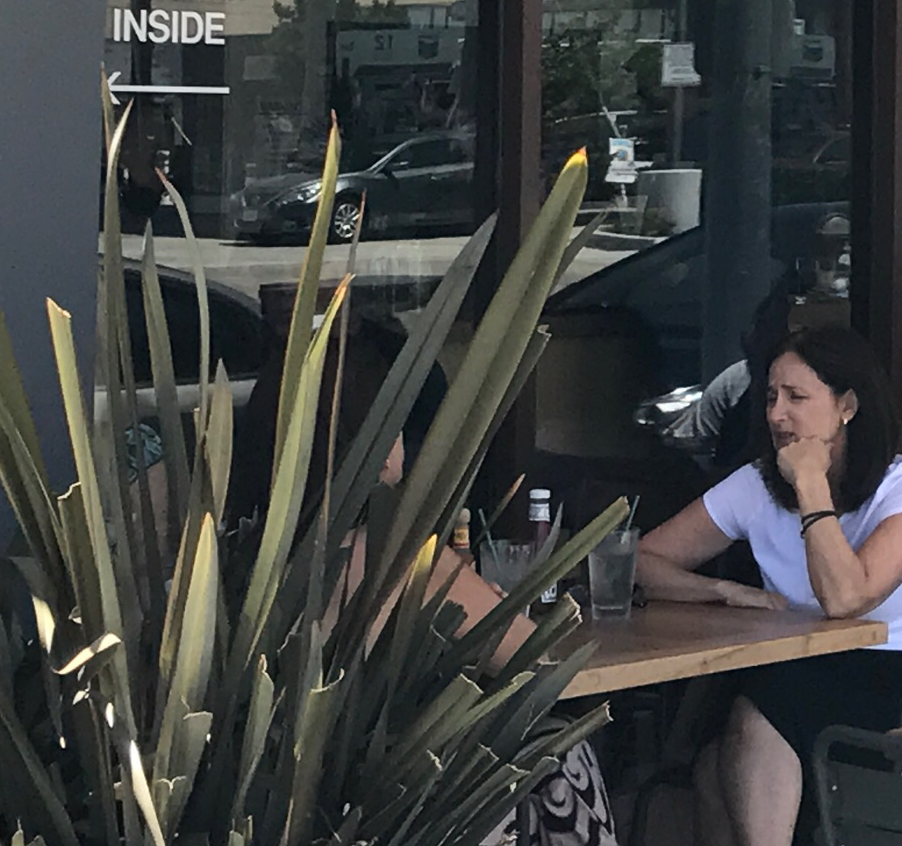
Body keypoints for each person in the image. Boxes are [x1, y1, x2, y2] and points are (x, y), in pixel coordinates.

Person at [229, 320, 617, 845]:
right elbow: (540, 660)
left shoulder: (244, 560)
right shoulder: (395, 560)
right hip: (411, 818)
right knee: (562, 746)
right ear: (376, 440)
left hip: (293, 819)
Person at [637, 326, 902, 846]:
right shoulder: (758, 483)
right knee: (714, 764)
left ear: (847, 406)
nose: (775, 414)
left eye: (795, 398)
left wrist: (811, 484)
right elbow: (643, 561)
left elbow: (848, 599)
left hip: (899, 676)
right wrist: (721, 591)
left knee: (756, 708)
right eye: (770, 397)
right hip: (799, 664)